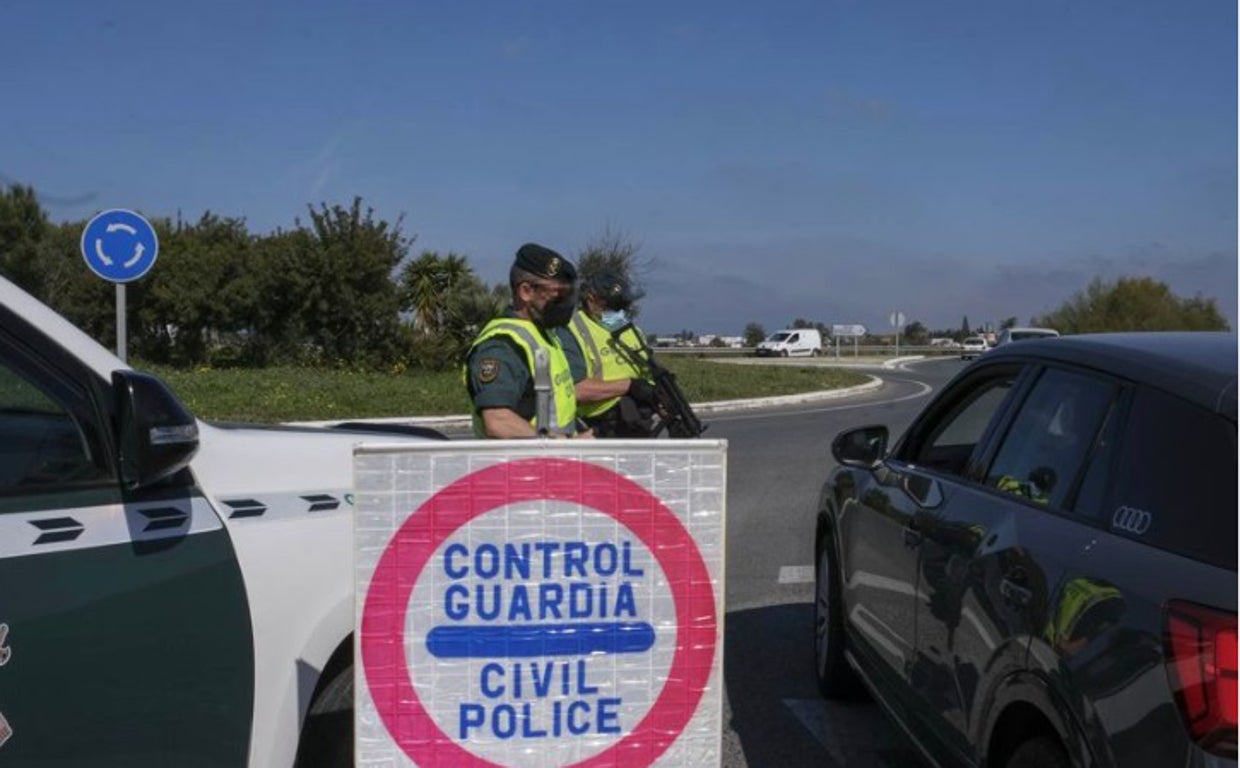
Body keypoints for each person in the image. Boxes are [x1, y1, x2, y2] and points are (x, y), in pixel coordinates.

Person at [463, 243, 592, 439]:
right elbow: (498, 421)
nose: (564, 304)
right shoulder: (503, 345)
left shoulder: (543, 334)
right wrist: (559, 446)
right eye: (557, 295)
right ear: (525, 292)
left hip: (551, 460)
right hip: (519, 466)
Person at [556, 271, 660, 437]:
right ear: (590, 300)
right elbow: (576, 390)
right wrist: (629, 386)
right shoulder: (573, 329)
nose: (616, 313)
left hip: (636, 424)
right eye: (610, 306)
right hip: (596, 427)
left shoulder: (632, 331)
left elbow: (650, 376)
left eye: (620, 307)